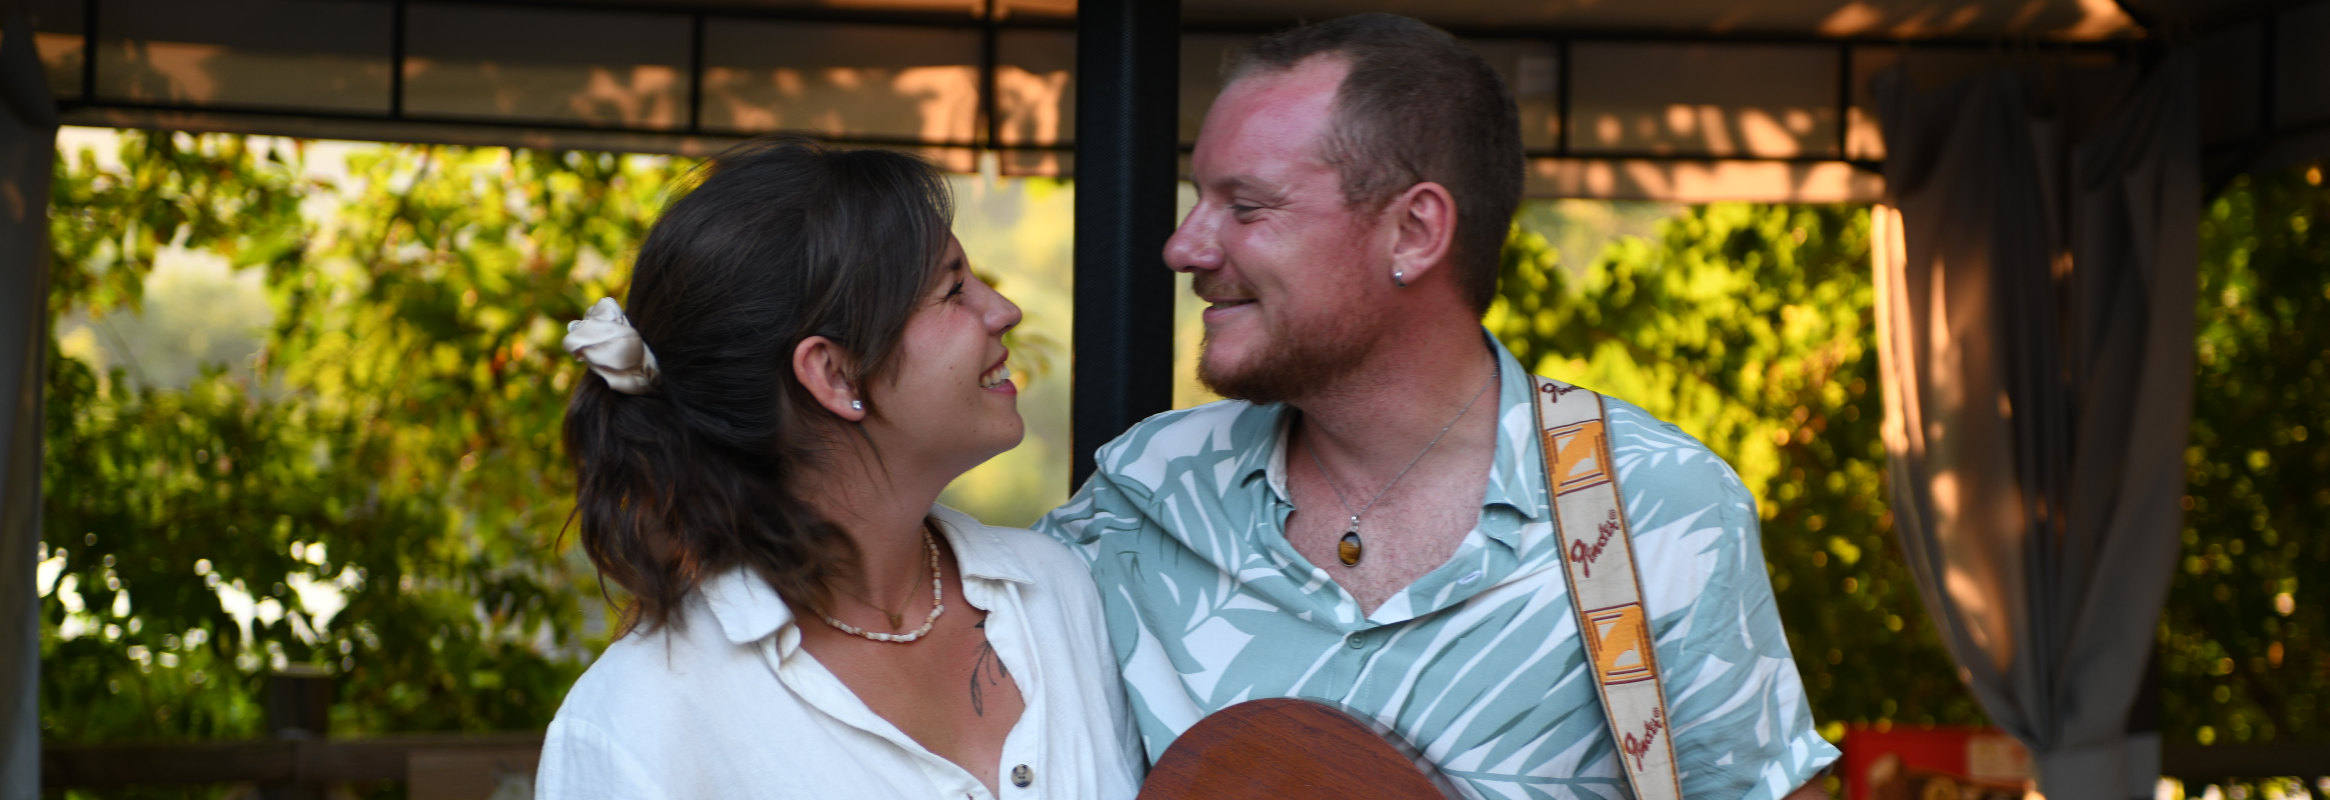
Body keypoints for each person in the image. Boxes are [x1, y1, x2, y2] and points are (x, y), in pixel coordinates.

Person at [1034, 14, 1840, 800]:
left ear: (1415, 231)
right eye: (1196, 198)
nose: (1185, 247)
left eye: (1246, 208)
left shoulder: (1654, 507)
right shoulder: (1141, 492)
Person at [536, 137, 1142, 800]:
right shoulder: (639, 723)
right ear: (833, 373)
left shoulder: (1055, 592)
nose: (1003, 311)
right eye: (952, 289)